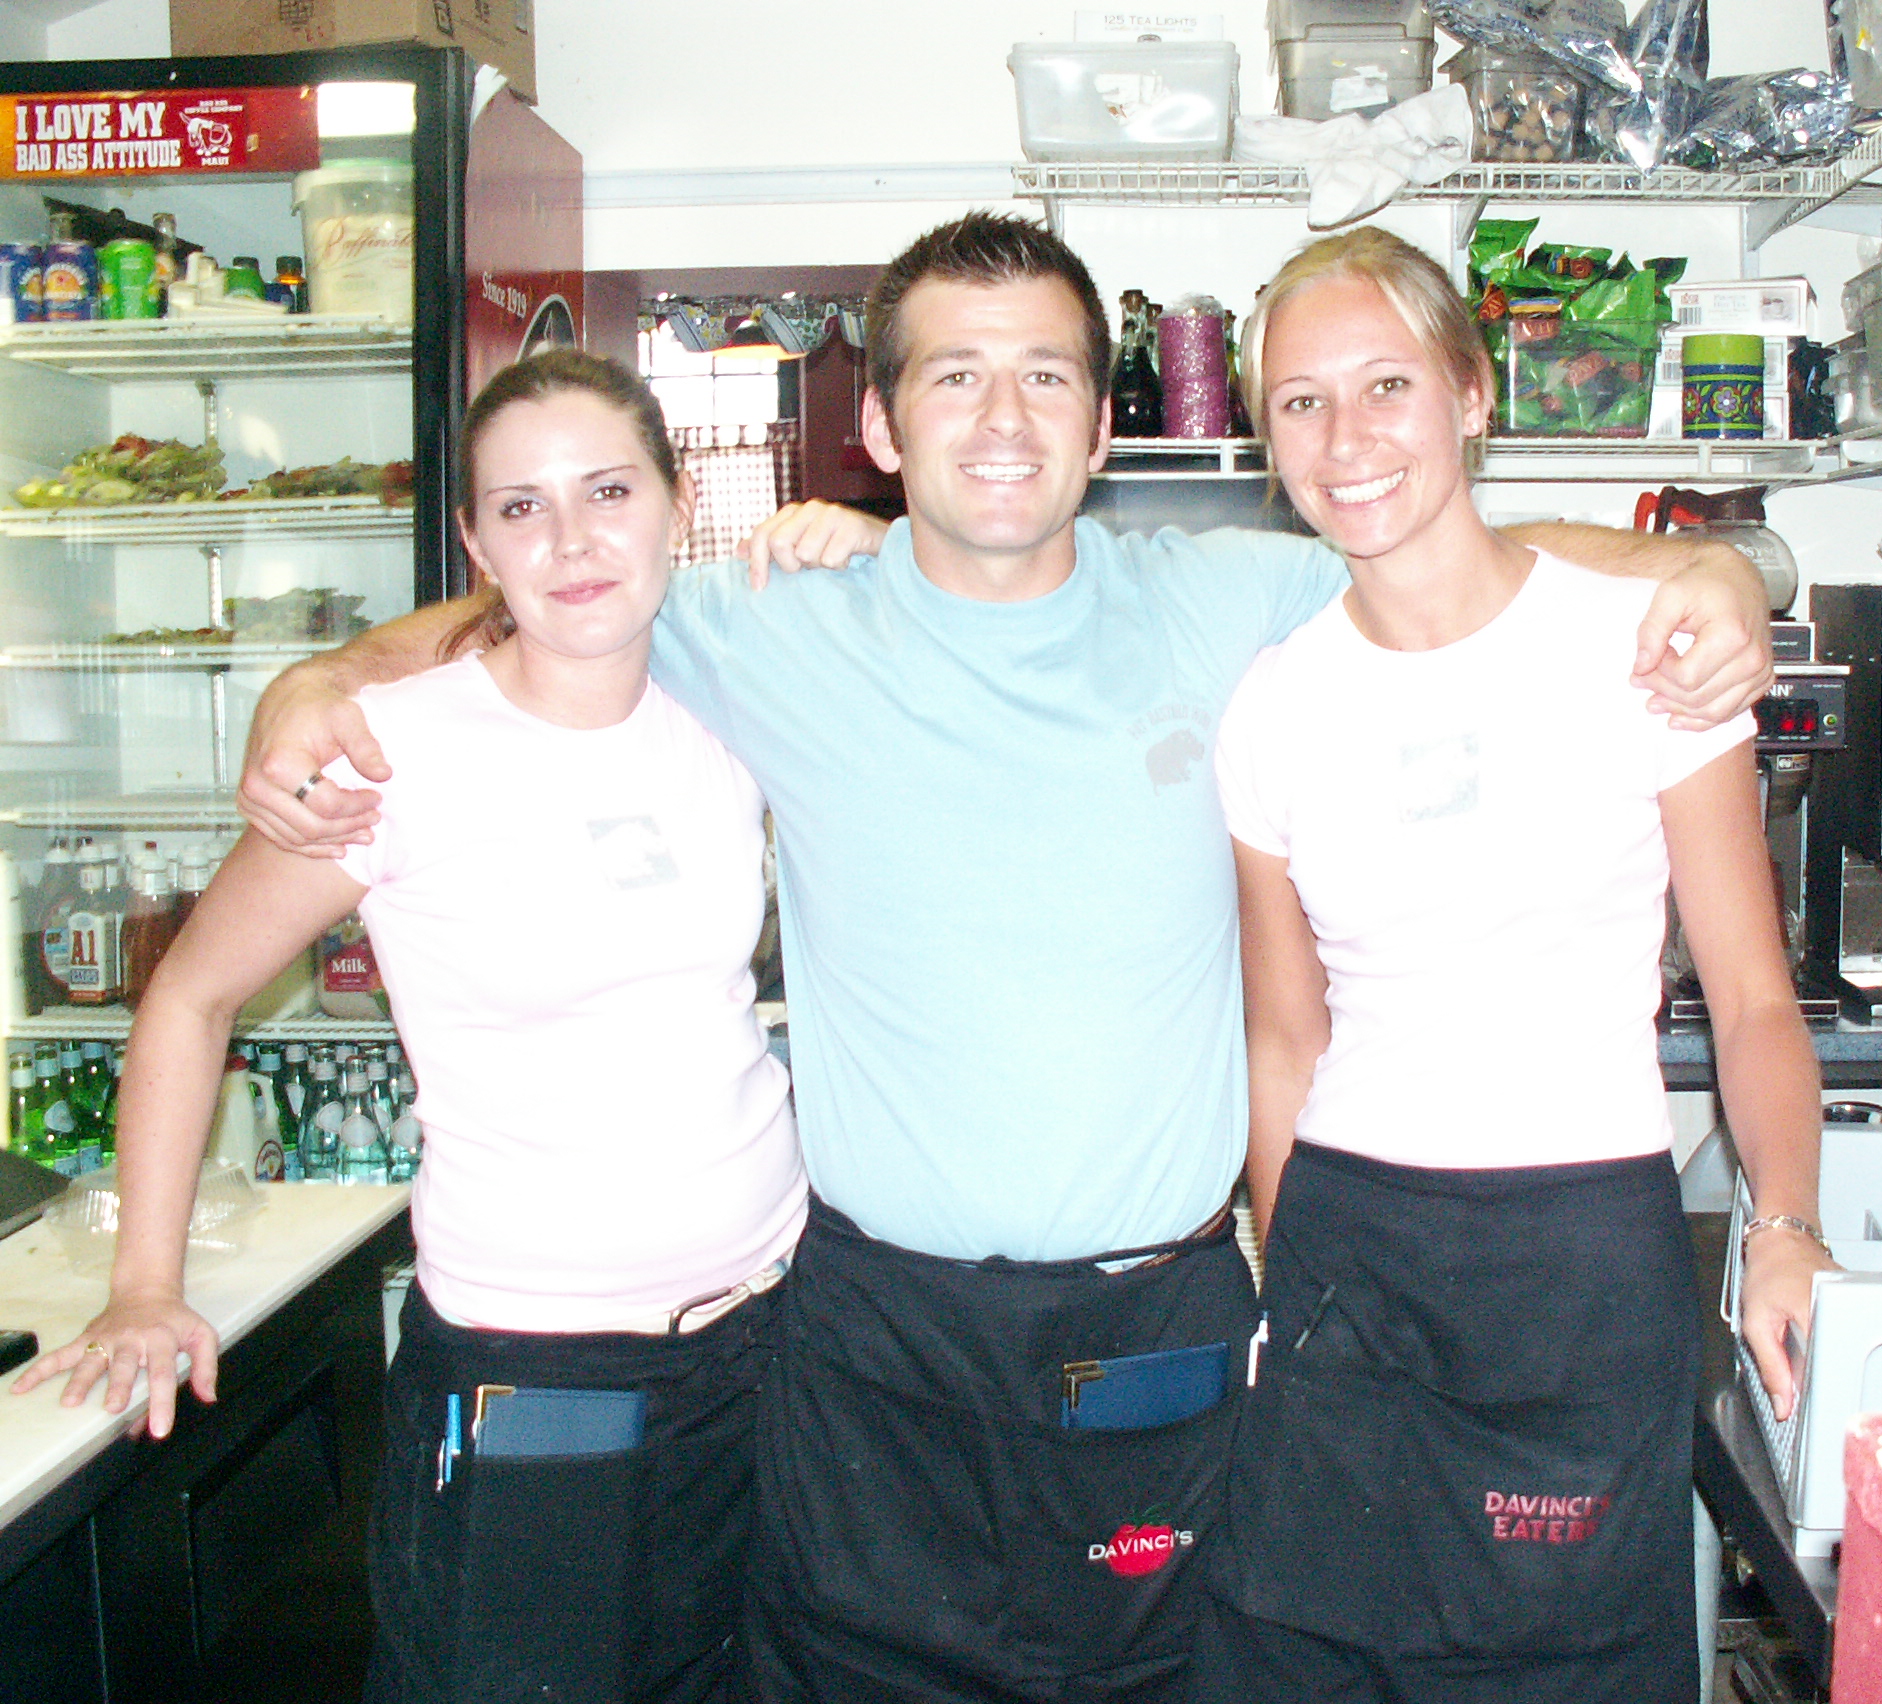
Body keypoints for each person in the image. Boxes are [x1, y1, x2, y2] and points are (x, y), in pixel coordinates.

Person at [236, 214, 1775, 1703]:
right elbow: (547, 604)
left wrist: (1704, 573)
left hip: (1153, 1335)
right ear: (882, 429)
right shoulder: (771, 621)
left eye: (1045, 374)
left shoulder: (1225, 599)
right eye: (954, 375)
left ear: (1102, 427)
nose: (1001, 415)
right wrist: (321, 679)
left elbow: (1455, 552)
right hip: (872, 1347)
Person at [12, 351, 804, 1704]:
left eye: (610, 491)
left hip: (772, 1336)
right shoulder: (393, 753)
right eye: (521, 507)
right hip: (533, 1368)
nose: (571, 540)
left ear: (679, 505)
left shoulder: (729, 704)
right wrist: (144, 1283)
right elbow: (191, 995)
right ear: (476, 542)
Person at [1194, 228, 1831, 1704]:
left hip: (1575, 1257)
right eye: (1300, 402)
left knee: (1563, 1662)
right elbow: (1284, 1038)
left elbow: (1752, 999)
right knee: (1306, 1651)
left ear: (1473, 394)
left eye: (1387, 386)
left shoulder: (1644, 648)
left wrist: (1787, 1224)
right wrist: (1291, 1282)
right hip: (1350, 1248)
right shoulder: (1274, 703)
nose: (1345, 440)